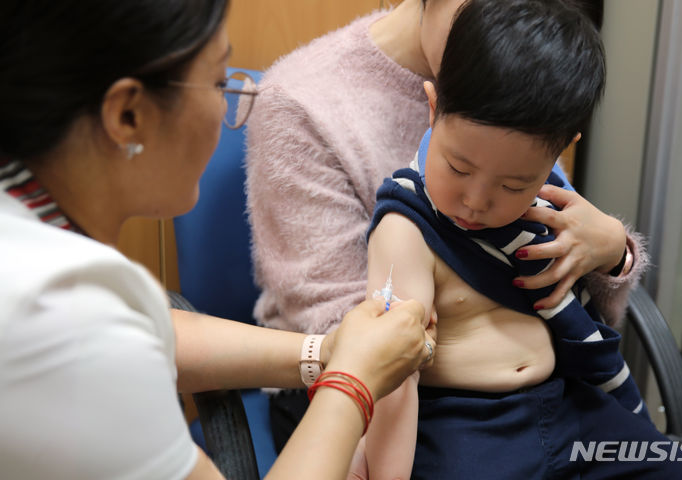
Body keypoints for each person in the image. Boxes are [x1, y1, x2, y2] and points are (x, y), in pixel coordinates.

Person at [0, 1, 436, 479]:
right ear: (127, 115)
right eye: (217, 83)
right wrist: (353, 381)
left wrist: (327, 352)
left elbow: (152, 328)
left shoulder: (30, 225)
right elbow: (101, 335)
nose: (230, 104)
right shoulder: (61, 321)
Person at [245, 0, 649, 451]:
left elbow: (580, 305)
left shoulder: (523, 81)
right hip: (367, 388)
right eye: (457, 168)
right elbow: (351, 334)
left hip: (531, 391)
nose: (515, 35)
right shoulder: (301, 101)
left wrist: (613, 254)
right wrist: (530, 348)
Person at [358, 1, 682, 478]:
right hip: (463, 427)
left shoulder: (553, 202)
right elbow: (394, 374)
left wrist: (613, 251)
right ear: (431, 109)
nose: (476, 200)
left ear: (562, 148)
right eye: (458, 167)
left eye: (513, 185)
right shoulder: (407, 227)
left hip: (571, 409)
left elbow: (590, 304)